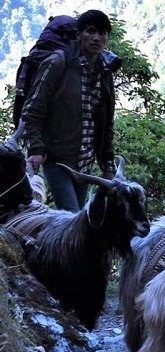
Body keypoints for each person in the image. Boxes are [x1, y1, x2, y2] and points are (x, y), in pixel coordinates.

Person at [21, 9, 117, 212]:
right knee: (73, 218)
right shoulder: (58, 63)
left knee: (79, 219)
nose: (96, 38)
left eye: (102, 33)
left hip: (85, 162)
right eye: (91, 31)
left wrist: (107, 163)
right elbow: (32, 108)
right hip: (58, 159)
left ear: (107, 37)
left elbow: (106, 122)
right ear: (79, 34)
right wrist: (36, 149)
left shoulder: (105, 72)